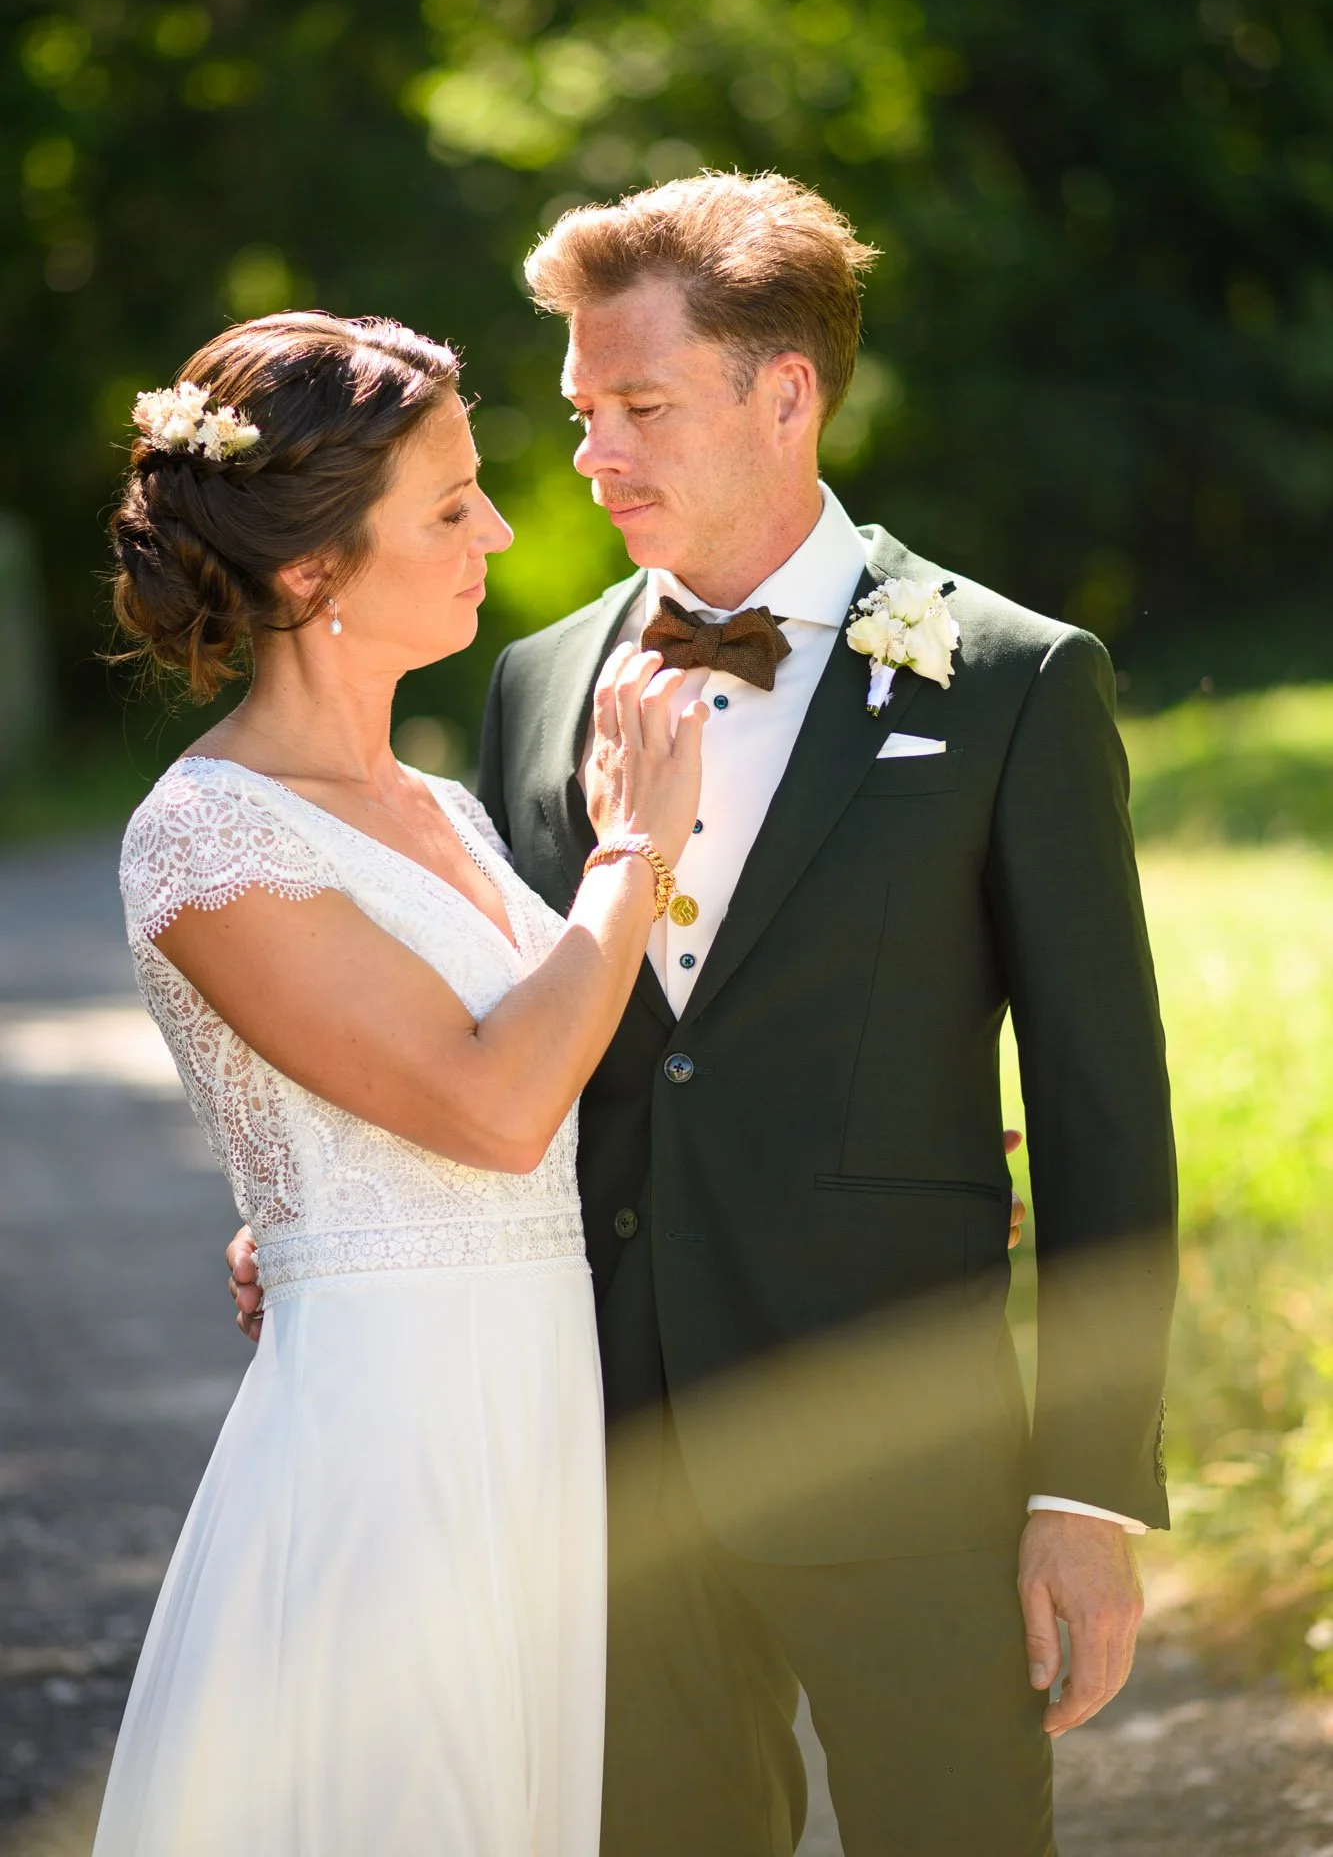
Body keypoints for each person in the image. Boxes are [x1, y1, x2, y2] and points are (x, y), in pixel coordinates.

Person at [228, 173, 1177, 1856]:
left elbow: (1105, 1114)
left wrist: (1085, 1492)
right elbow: (500, 1020)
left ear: (785, 392)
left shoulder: (1016, 682)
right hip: (598, 1448)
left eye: (642, 407)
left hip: (901, 1451)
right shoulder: (535, 679)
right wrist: (335, 1191)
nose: (594, 456)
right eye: (581, 410)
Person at [92, 311, 708, 1857]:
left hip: (537, 1409)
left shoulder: (441, 805)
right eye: (450, 509)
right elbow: (495, 1110)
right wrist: (636, 851)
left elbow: (560, 1070)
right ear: (313, 574)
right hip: (391, 1436)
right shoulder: (205, 835)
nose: (496, 532)